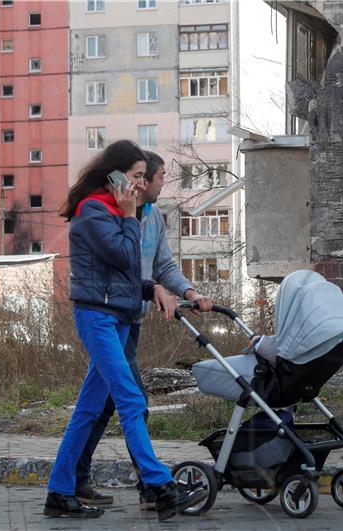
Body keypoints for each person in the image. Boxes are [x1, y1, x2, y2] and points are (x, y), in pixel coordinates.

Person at [43, 140, 207, 521]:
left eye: (141, 178)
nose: (139, 184)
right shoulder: (93, 211)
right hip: (97, 318)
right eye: (135, 177)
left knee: (88, 409)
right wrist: (131, 217)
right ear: (114, 175)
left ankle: (60, 492)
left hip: (118, 315)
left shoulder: (117, 211)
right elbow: (124, 256)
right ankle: (160, 486)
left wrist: (156, 288)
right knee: (131, 400)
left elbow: (133, 274)